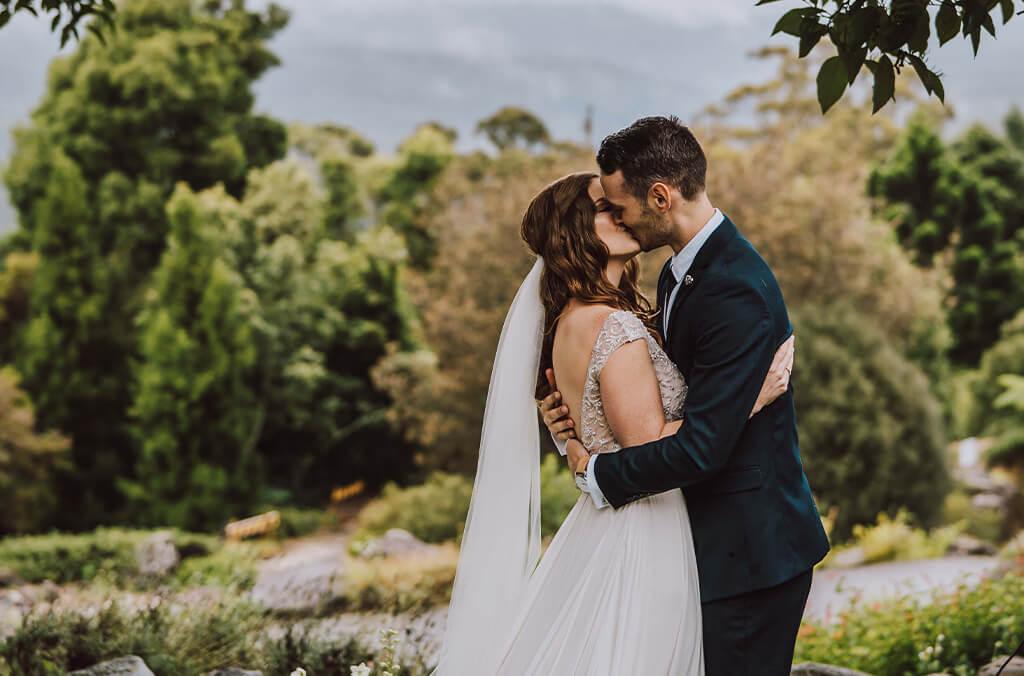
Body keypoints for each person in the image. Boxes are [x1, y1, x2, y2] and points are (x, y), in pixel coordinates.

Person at [432, 167, 795, 675]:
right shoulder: (613, 323)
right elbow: (652, 445)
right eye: (606, 208)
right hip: (645, 528)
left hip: (621, 518)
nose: (623, 212)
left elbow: (605, 428)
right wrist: (750, 398)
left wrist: (576, 449)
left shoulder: (583, 317)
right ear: (577, 232)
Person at [540, 117, 831, 675]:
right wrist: (568, 425)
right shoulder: (679, 272)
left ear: (659, 196)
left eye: (619, 205)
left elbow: (702, 448)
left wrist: (592, 472)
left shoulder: (733, 288)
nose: (617, 215)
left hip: (749, 553)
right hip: (697, 542)